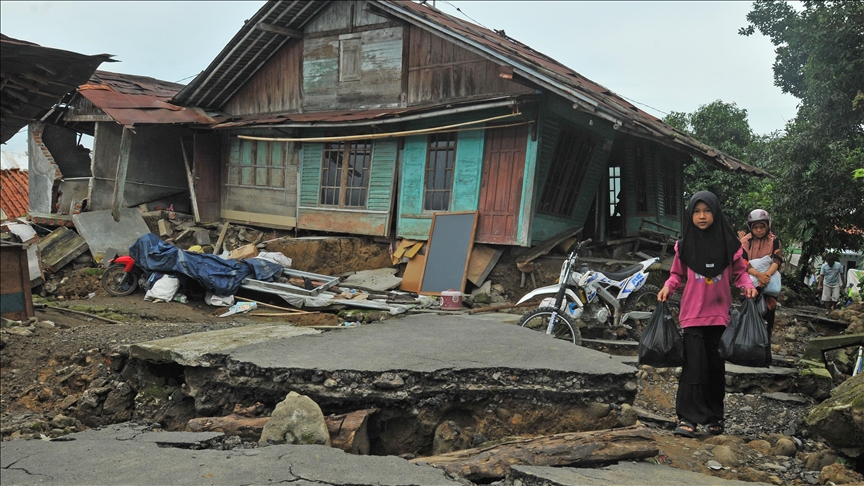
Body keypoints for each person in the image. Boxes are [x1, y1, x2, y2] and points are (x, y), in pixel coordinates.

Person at [657, 191, 757, 438]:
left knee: (715, 369)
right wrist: (668, 287)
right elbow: (676, 275)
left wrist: (748, 286)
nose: (701, 216)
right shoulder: (684, 247)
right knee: (693, 368)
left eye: (707, 211)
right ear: (690, 215)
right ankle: (688, 418)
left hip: (720, 317)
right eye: (696, 212)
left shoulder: (730, 247)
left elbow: (740, 274)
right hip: (692, 315)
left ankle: (714, 417)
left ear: (716, 213)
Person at [739, 209, 783, 342]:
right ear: (750, 228)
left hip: (768, 281)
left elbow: (777, 260)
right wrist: (758, 275)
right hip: (749, 280)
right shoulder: (744, 241)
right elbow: (742, 262)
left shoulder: (774, 240)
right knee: (747, 313)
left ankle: (765, 345)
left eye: (762, 227)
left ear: (767, 226)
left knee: (768, 315)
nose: (759, 230)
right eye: (755, 227)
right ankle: (747, 343)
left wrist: (766, 276)